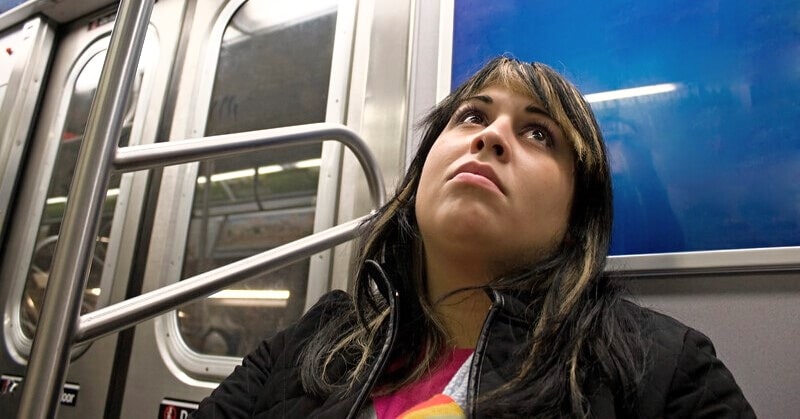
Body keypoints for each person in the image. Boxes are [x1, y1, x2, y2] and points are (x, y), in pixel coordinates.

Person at [192, 57, 754, 418]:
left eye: (539, 133)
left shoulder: (663, 368)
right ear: (418, 175)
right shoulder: (313, 341)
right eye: (471, 117)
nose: (491, 137)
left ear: (576, 215)